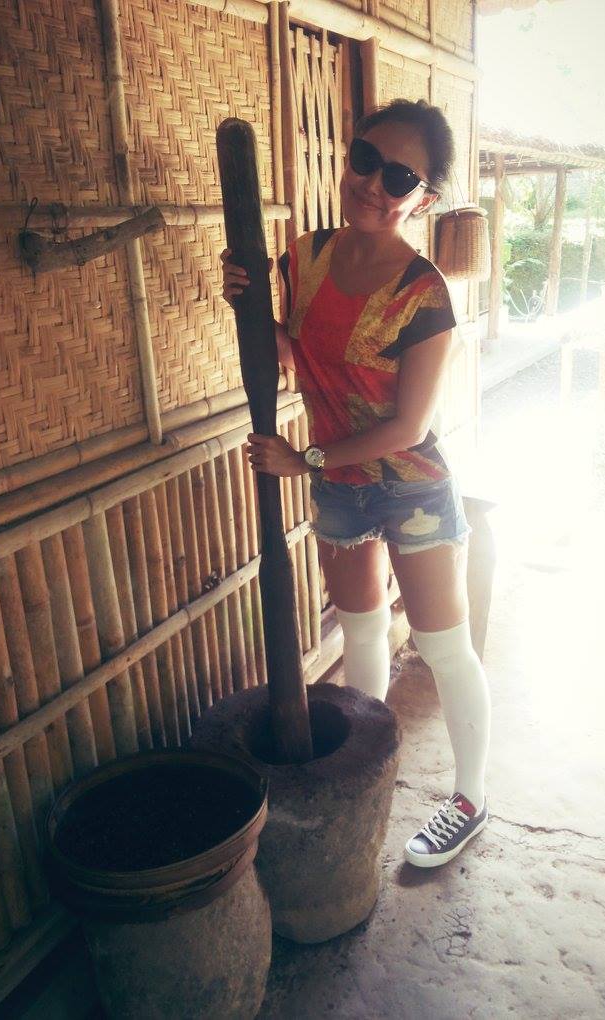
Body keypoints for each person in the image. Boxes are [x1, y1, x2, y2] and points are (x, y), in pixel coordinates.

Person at [221, 99, 490, 868]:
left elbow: (407, 428)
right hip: (339, 488)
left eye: (399, 177)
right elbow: (298, 352)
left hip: (409, 488)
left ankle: (469, 799)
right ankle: (368, 779)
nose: (373, 183)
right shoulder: (301, 259)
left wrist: (303, 460)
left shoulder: (425, 294)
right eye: (365, 159)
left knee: (442, 647)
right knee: (363, 634)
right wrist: (247, 300)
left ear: (422, 199)